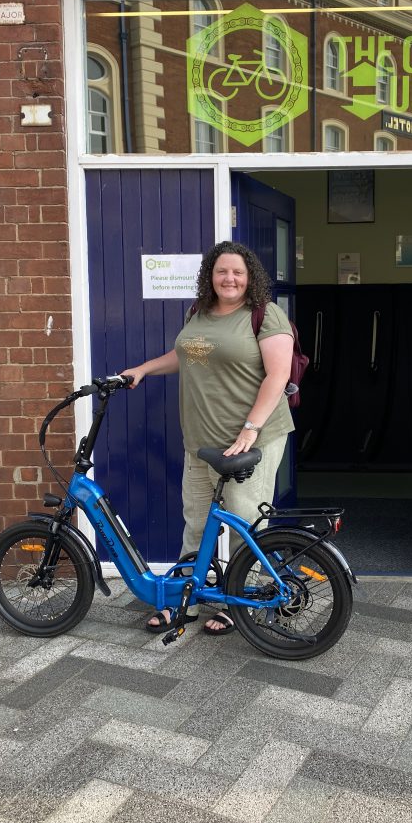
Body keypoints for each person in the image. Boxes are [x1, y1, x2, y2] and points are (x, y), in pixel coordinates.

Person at [120, 241, 294, 636]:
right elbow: (186, 355)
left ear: (250, 277)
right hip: (200, 441)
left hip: (252, 441)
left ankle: (242, 600)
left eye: (237, 272)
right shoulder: (198, 312)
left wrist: (250, 429)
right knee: (196, 523)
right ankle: (188, 599)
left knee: (244, 522)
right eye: (221, 272)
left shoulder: (266, 316)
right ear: (210, 277)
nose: (229, 278)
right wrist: (144, 369)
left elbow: (277, 376)